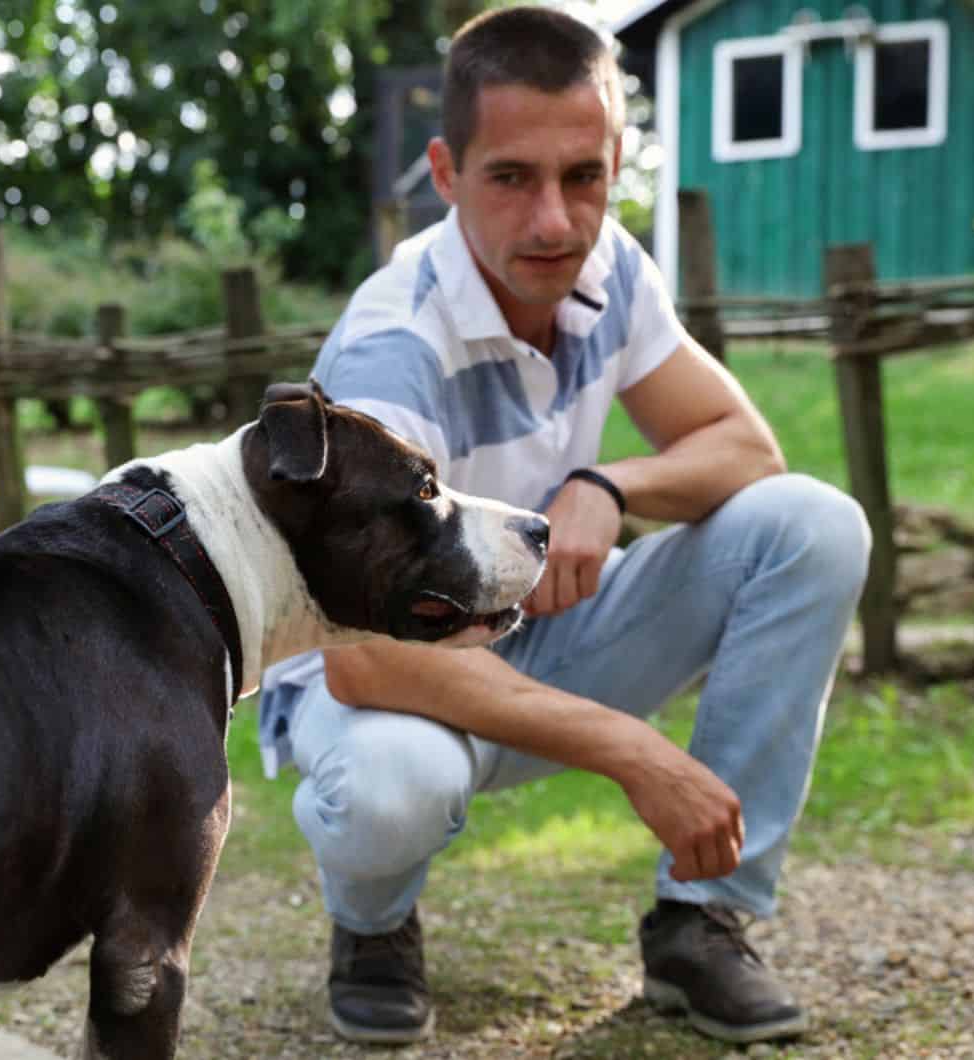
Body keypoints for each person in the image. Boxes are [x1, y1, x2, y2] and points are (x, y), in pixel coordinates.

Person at [256, 5, 870, 1047]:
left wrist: (609, 483)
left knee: (810, 523)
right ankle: (372, 925)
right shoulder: (389, 349)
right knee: (394, 786)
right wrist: (637, 750)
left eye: (583, 176)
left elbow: (744, 448)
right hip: (386, 672)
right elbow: (364, 659)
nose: (553, 221)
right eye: (511, 178)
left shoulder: (610, 267)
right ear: (446, 174)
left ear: (617, 159)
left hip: (542, 629)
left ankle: (700, 921)